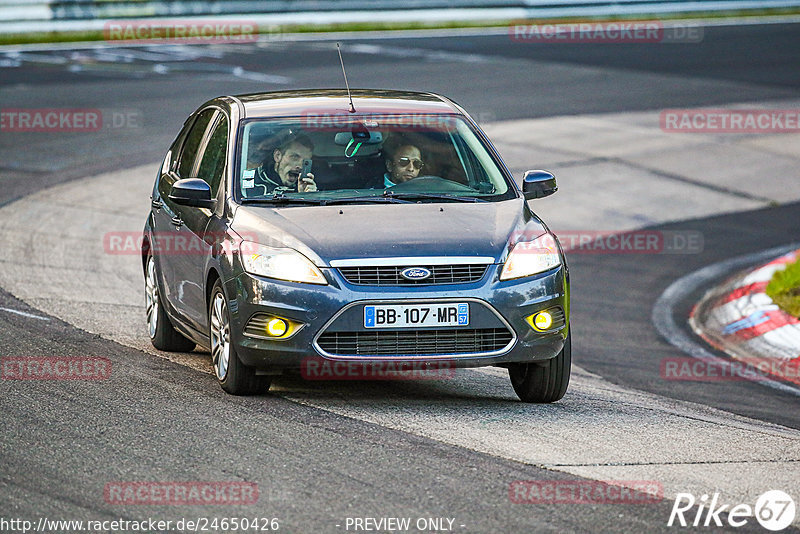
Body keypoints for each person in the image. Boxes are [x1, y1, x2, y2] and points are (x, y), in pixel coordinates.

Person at [244, 133, 317, 195]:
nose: (300, 166)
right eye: (294, 157)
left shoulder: (308, 187)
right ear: (277, 156)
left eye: (305, 162)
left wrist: (305, 197)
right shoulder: (252, 182)